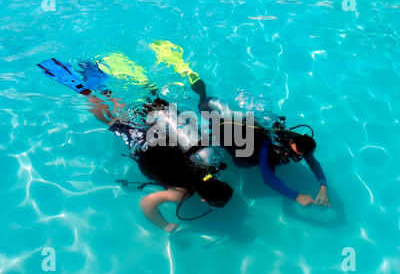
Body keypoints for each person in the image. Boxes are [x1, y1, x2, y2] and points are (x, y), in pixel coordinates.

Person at [37, 56, 233, 233]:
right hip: (141, 145)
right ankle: (86, 90)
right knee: (112, 121)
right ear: (203, 199)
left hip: (158, 136)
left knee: (123, 108)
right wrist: (165, 225)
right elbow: (147, 204)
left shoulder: (210, 163)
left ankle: (97, 76)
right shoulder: (178, 194)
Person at [189, 78, 330, 207]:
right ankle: (201, 94)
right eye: (292, 152)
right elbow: (268, 178)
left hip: (240, 130)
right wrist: (297, 196)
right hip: (228, 137)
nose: (291, 154)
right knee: (211, 124)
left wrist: (323, 186)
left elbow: (313, 162)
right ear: (293, 142)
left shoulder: (298, 140)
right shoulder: (267, 145)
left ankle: (205, 101)